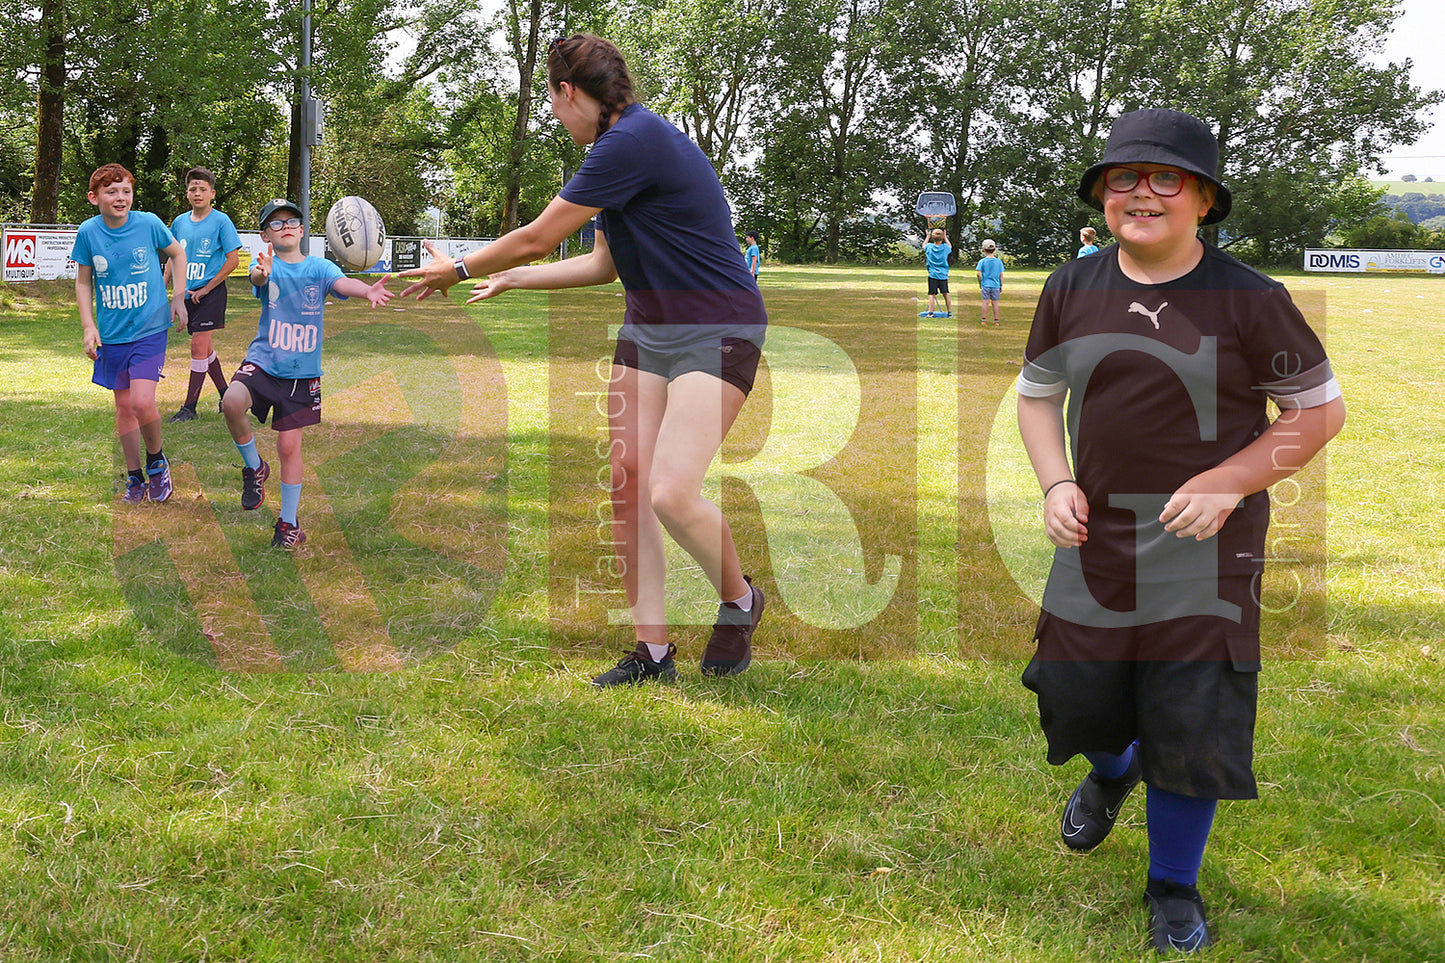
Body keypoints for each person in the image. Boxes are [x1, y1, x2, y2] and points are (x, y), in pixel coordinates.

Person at [1014, 108, 1345, 953]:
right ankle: (1110, 771)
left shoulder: (1249, 299)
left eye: (1166, 179)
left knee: (1189, 724)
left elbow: (1317, 410)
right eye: (1123, 177)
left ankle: (1171, 884)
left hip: (1209, 553)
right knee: (1075, 695)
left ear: (1201, 198)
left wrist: (1231, 480)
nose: (1142, 193)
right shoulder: (1070, 287)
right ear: (1102, 195)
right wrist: (1055, 479)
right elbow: (1036, 394)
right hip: (1096, 544)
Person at [398, 34, 768, 688]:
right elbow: (602, 264)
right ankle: (650, 653)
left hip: (716, 324)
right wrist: (514, 281)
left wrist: (456, 268)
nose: (551, 112)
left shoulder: (631, 140)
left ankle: (739, 598)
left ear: (568, 91)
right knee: (627, 479)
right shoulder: (614, 151)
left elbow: (538, 235)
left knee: (670, 491)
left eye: (550, 99)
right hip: (650, 328)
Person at [222, 199, 394, 547]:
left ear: (302, 231)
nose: (285, 225)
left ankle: (288, 525)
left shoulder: (319, 268)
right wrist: (263, 272)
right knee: (231, 402)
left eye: (292, 221)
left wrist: (367, 290)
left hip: (302, 374)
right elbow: (257, 278)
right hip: (264, 361)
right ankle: (254, 467)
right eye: (275, 222)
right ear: (264, 234)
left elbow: (343, 285)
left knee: (289, 446)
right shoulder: (267, 266)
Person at [71, 163, 189, 504]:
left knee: (141, 402)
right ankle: (134, 477)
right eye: (112, 191)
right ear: (95, 198)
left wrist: (178, 297)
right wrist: (88, 326)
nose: (120, 197)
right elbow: (83, 281)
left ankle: (156, 461)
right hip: (112, 334)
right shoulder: (88, 232)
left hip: (150, 329)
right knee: (123, 408)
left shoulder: (149, 223)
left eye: (126, 190)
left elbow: (178, 254)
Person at [165, 166, 242, 422]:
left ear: (212, 193)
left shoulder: (221, 221)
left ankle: (190, 407)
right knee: (205, 350)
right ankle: (226, 395)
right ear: (187, 193)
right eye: (192, 189)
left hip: (210, 294)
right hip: (187, 295)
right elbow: (172, 259)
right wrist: (163, 287)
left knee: (197, 347)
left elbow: (233, 260)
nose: (197, 193)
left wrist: (208, 288)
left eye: (202, 189)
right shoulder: (179, 222)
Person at [920, 228, 952, 317]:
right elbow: (950, 246)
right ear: (942, 237)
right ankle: (950, 312)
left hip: (933, 274)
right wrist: (945, 237)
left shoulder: (929, 247)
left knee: (932, 294)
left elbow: (923, 245)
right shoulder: (945, 247)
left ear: (932, 237)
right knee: (946, 293)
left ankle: (931, 312)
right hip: (943, 275)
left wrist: (927, 236)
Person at [976, 239, 1004, 324]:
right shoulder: (999, 261)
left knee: (985, 302)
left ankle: (984, 320)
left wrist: (980, 283)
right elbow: (1001, 274)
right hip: (996, 285)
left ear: (984, 250)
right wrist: (1001, 285)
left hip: (985, 284)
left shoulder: (982, 261)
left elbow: (978, 274)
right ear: (994, 249)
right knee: (995, 303)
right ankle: (996, 320)